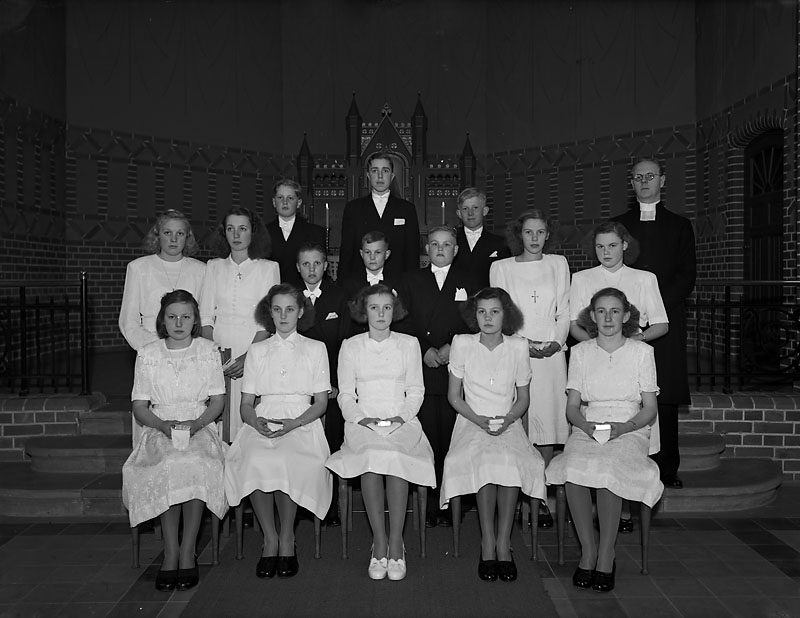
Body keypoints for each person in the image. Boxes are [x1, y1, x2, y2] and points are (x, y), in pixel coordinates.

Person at [546, 287, 664, 593]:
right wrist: (585, 426)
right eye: (601, 311)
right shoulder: (581, 352)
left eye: (614, 311)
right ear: (592, 316)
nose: (608, 317)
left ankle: (606, 554)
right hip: (589, 423)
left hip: (630, 425)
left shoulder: (641, 352)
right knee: (574, 466)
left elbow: (649, 408)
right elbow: (573, 408)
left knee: (609, 467)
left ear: (626, 316)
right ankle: (588, 551)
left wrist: (623, 428)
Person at [326, 284, 435, 582]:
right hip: (362, 421)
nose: (381, 314)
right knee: (372, 456)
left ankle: (397, 542)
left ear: (394, 311)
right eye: (374, 307)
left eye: (387, 307)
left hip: (402, 419)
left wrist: (401, 417)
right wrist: (361, 420)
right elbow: (345, 395)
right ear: (364, 311)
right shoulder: (351, 346)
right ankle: (379, 542)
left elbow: (416, 390)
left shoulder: (409, 344)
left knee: (396, 455)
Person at [121, 290, 228, 592]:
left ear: (195, 320)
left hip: (199, 424)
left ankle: (188, 550)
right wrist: (161, 425)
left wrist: (197, 424)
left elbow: (217, 401)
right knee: (167, 463)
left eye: (186, 316)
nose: (179, 323)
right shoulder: (148, 354)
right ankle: (170, 551)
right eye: (172, 316)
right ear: (162, 320)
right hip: (160, 426)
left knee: (196, 461)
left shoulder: (207, 350)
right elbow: (140, 406)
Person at [224, 284, 332, 579]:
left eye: (290, 309)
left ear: (301, 312)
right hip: (264, 418)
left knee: (288, 458)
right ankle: (269, 538)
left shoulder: (315, 348)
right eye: (277, 309)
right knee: (255, 458)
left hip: (302, 420)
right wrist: (254, 422)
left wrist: (294, 423)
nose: (283, 316)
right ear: (268, 313)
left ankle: (287, 538)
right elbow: (246, 404)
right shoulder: (257, 351)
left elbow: (321, 403)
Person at [440, 288, 545, 583]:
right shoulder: (462, 343)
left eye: (495, 311)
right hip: (470, 420)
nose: (488, 318)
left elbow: (523, 399)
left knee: (510, 459)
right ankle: (487, 541)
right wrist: (479, 420)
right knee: (484, 459)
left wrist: (507, 420)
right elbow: (454, 396)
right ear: (474, 315)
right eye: (482, 312)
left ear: (505, 315)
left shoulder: (518, 346)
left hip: (508, 420)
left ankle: (503, 541)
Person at [569, 220, 669, 532]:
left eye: (612, 245)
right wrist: (596, 347)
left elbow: (661, 323)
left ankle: (623, 512)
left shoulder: (644, 278)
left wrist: (630, 342)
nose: (606, 252)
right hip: (596, 358)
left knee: (622, 453)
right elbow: (574, 323)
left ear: (625, 245)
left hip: (631, 360)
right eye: (600, 246)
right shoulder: (581, 278)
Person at [612, 157, 696, 489]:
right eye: (638, 177)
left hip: (666, 319)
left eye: (650, 176)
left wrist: (655, 307)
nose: (644, 181)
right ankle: (627, 458)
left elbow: (686, 276)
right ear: (631, 183)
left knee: (665, 391)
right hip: (625, 320)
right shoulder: (618, 226)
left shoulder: (680, 225)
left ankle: (667, 467)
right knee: (626, 389)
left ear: (662, 180)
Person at [489, 210, 570, 526]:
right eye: (528, 232)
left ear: (548, 234)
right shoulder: (501, 268)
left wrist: (556, 343)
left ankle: (539, 495)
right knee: (518, 423)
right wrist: (524, 343)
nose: (534, 238)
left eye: (540, 232)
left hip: (551, 354)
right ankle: (517, 492)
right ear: (518, 234)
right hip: (515, 349)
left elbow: (563, 311)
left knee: (547, 422)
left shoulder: (558, 264)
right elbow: (501, 311)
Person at [398, 226, 479, 528]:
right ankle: (430, 503)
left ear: (456, 249)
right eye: (434, 244)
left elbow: (476, 321)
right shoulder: (410, 280)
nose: (440, 249)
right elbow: (401, 320)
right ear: (427, 249)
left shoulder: (471, 280)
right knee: (428, 439)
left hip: (456, 369)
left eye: (446, 245)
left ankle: (455, 501)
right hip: (423, 367)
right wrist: (424, 349)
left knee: (454, 440)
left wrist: (451, 346)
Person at [199, 207, 280, 441]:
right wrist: (213, 353)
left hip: (254, 345)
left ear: (253, 232)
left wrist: (248, 358)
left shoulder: (268, 268)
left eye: (243, 228)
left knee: (245, 412)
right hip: (218, 347)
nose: (236, 235)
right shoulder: (213, 266)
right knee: (219, 415)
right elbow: (205, 317)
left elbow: (267, 322)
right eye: (230, 228)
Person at [295, 242, 352, 526]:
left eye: (317, 263)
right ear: (298, 267)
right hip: (298, 381)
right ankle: (300, 501)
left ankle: (330, 507)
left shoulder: (339, 296)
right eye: (306, 264)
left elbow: (344, 344)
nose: (312, 269)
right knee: (302, 443)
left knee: (331, 441)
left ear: (326, 266)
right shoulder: (290, 297)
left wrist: (336, 382)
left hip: (330, 381)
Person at [119, 210, 206, 351]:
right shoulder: (138, 268)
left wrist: (188, 346)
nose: (173, 239)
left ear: (187, 237)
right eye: (167, 233)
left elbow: (204, 316)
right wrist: (156, 347)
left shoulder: (201, 270)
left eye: (180, 233)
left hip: (190, 349)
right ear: (157, 235)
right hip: (149, 347)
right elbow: (128, 322)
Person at [338, 151, 421, 280]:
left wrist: (412, 286)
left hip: (397, 282)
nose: (380, 176)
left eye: (385, 171)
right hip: (360, 282)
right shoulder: (353, 209)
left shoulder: (406, 209)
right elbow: (346, 253)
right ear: (368, 175)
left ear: (392, 176)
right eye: (375, 171)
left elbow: (412, 254)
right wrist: (343, 284)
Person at [338, 230, 403, 333]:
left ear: (387, 254)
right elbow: (345, 320)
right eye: (367, 252)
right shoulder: (349, 283)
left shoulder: (399, 282)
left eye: (378, 252)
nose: (372, 257)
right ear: (361, 253)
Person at [265, 178, 327, 285]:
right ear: (274, 202)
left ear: (298, 203)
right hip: (272, 290)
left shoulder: (316, 233)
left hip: (302, 291)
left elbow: (319, 270)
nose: (285, 202)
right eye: (280, 197)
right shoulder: (263, 232)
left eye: (290, 198)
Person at [452, 188, 509, 287]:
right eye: (465, 209)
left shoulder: (501, 244)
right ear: (459, 213)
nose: (470, 213)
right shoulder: (450, 241)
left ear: (485, 211)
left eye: (475, 208)